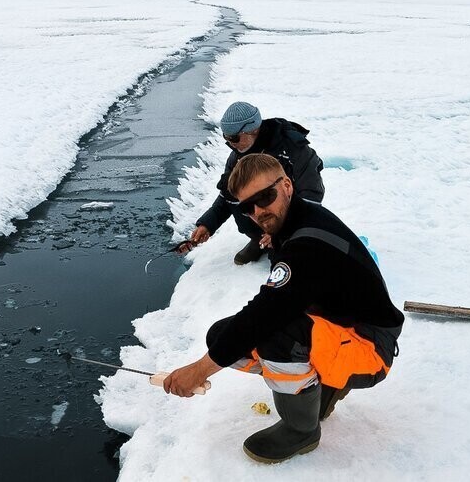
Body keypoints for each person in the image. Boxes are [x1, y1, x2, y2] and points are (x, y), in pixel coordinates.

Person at [163, 154, 404, 463]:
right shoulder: (296, 219)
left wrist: (198, 371)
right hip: (339, 326)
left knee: (277, 339)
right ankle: (322, 388)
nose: (258, 211)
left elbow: (267, 314)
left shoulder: (307, 242)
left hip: (369, 348)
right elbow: (275, 305)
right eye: (247, 207)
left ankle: (301, 429)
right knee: (223, 336)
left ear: (287, 186)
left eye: (265, 197)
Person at [182, 101, 325, 265]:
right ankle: (259, 239)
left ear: (252, 129)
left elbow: (312, 195)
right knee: (234, 192)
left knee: (286, 260)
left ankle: (284, 243)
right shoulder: (237, 156)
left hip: (290, 212)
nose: (231, 144)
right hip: (267, 216)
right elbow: (226, 196)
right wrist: (207, 224)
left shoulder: (293, 148)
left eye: (234, 137)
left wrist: (283, 230)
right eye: (226, 139)